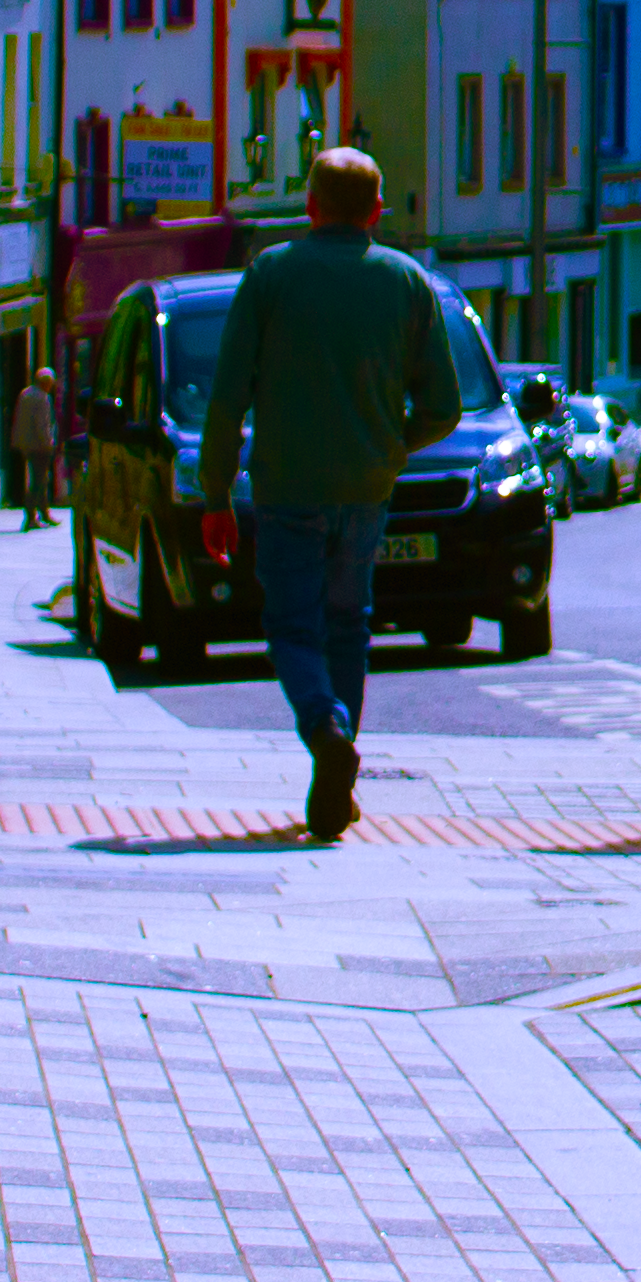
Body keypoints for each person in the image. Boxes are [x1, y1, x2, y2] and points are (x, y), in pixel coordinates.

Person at [197, 145, 464, 840]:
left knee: (292, 625)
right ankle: (338, 783)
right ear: (377, 209)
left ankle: (323, 728)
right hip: (366, 487)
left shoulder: (272, 275)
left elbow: (228, 395)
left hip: (287, 485)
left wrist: (216, 492)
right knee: (350, 624)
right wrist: (388, 444)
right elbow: (444, 406)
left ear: (309, 206)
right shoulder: (409, 283)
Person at [7, 364, 61, 531]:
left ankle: (43, 513)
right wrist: (49, 442)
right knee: (39, 481)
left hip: (26, 445)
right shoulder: (42, 398)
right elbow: (42, 424)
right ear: (46, 383)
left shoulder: (26, 394)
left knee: (39, 478)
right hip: (39, 446)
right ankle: (31, 516)